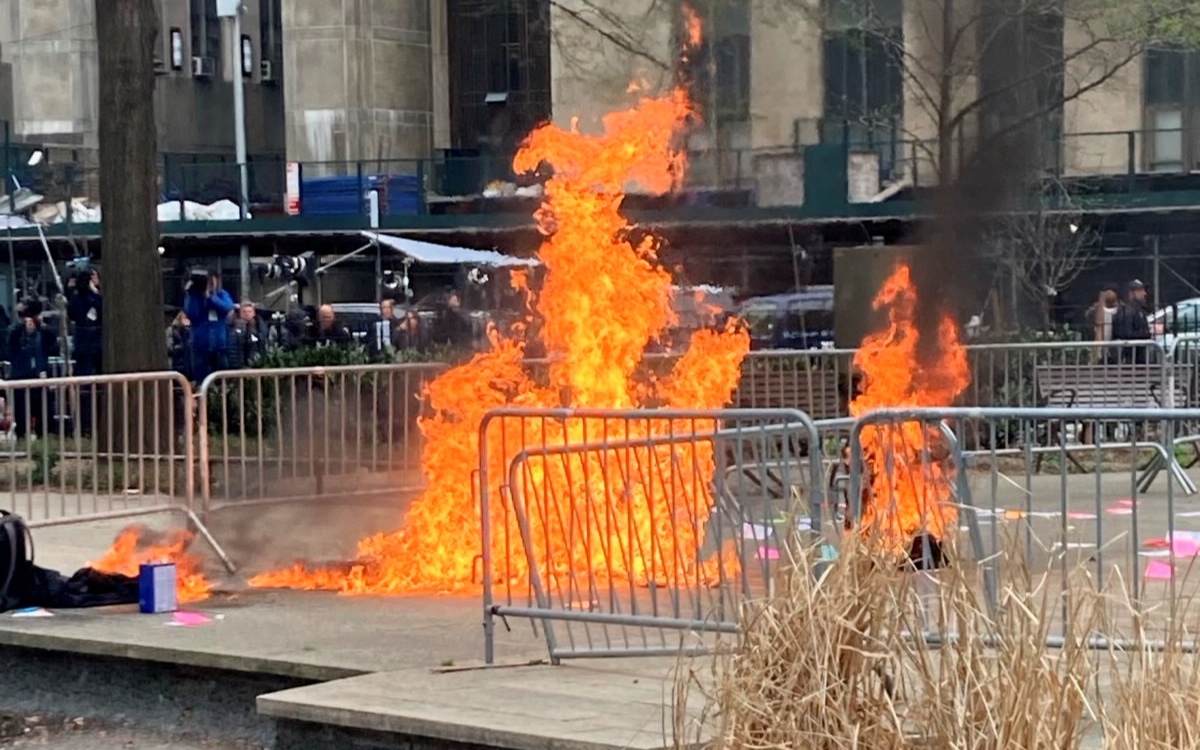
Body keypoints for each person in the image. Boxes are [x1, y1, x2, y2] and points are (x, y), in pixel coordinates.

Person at [7, 312, 57, 438]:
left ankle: (44, 435)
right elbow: (10, 340)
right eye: (28, 321)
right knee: (21, 411)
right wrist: (20, 324)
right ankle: (22, 435)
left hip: (39, 377)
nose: (30, 324)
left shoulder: (41, 336)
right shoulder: (17, 337)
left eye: (32, 322)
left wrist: (41, 324)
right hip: (21, 378)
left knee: (42, 409)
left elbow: (52, 338)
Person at [183, 271, 235, 383]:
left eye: (211, 281)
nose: (208, 284)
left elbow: (227, 307)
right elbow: (191, 314)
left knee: (222, 379)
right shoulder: (194, 296)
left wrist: (211, 298)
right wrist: (190, 294)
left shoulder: (222, 294)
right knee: (201, 379)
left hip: (220, 344)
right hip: (200, 345)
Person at [66, 269, 103, 376]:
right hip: (94, 337)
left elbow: (71, 314)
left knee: (83, 368)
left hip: (81, 337)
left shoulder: (75, 298)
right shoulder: (96, 298)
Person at [1112, 279, 1152, 363]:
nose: (1144, 293)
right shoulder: (1127, 311)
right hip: (1131, 359)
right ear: (1131, 293)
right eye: (1140, 290)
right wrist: (1148, 333)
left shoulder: (1138, 310)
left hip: (1138, 357)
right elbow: (1126, 334)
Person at [227, 301, 267, 369]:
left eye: (249, 311)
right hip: (239, 365)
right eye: (244, 312)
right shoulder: (233, 325)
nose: (247, 314)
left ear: (254, 313)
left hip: (257, 363)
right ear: (240, 313)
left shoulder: (260, 325)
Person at [167, 312, 194, 381]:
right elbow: (169, 348)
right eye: (185, 318)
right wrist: (183, 347)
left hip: (189, 366)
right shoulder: (171, 330)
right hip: (175, 365)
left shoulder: (191, 331)